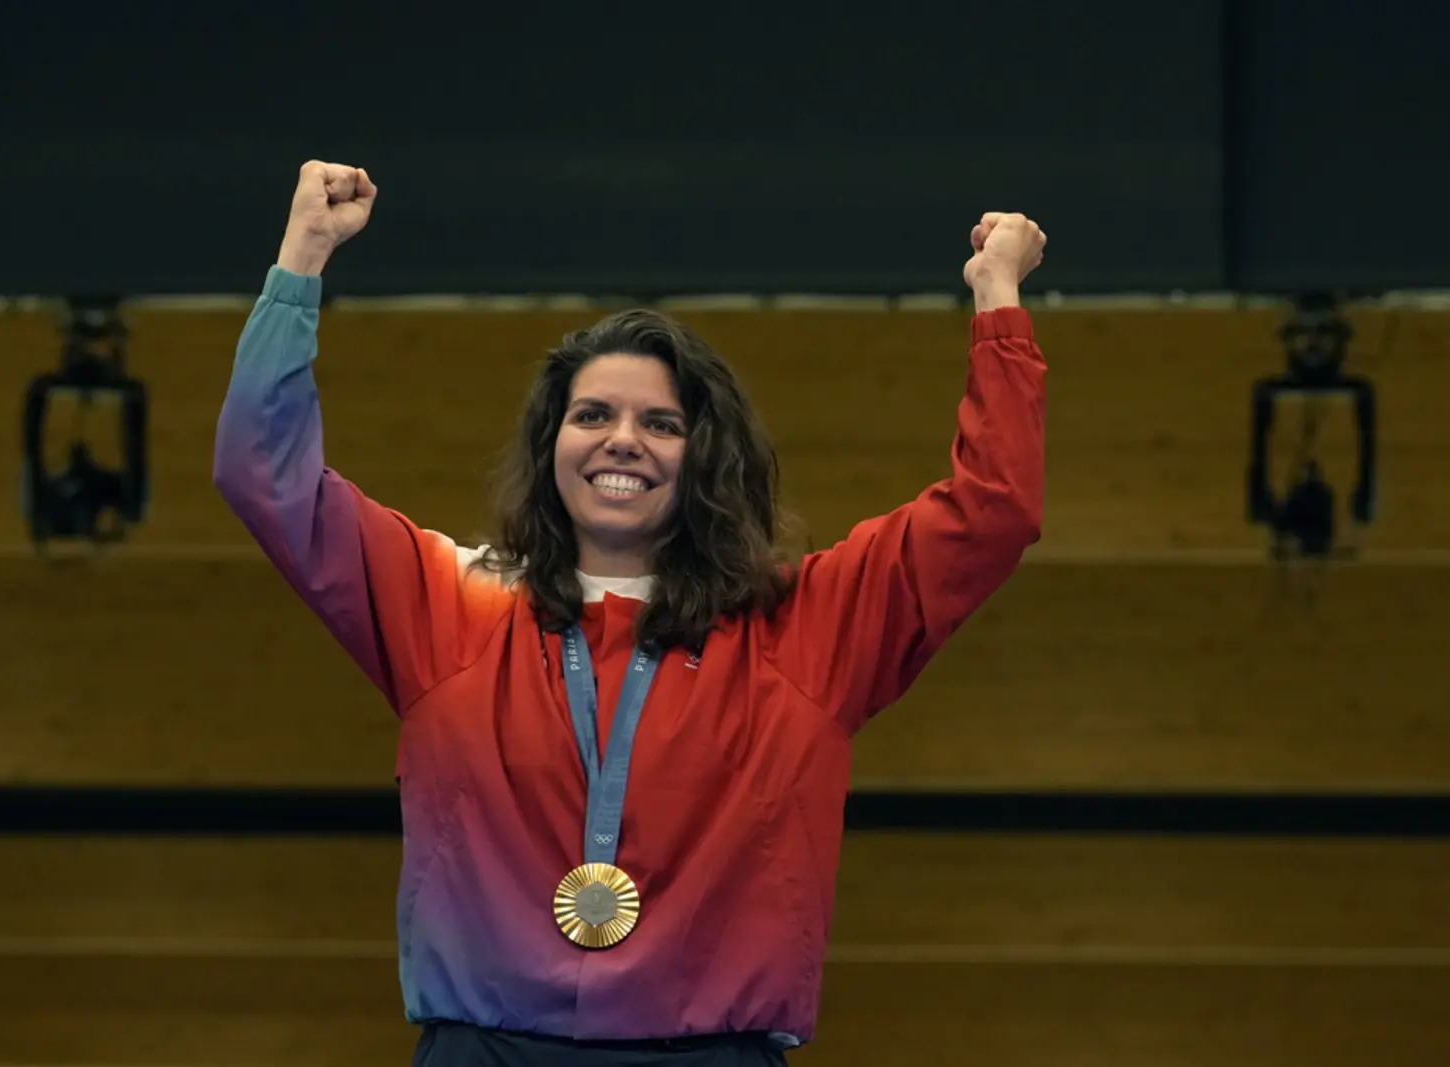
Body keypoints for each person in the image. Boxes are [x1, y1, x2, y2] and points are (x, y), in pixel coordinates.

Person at [214, 160, 1047, 1066]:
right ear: (551, 446)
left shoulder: (804, 625)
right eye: (593, 414)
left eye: (662, 423)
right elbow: (265, 473)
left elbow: (993, 509)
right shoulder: (445, 601)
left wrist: (996, 303)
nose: (622, 439)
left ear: (707, 460)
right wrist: (301, 261)